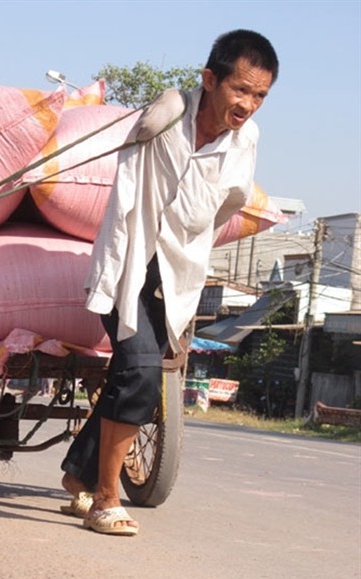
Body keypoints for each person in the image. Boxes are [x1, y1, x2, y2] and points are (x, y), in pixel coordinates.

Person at [59, 29, 279, 536]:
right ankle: (105, 499)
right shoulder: (169, 113)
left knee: (130, 377)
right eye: (240, 89)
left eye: (260, 95)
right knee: (139, 373)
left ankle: (79, 475)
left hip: (177, 274)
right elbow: (128, 156)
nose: (248, 104)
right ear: (210, 79)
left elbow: (232, 200)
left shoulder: (246, 142)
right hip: (129, 265)